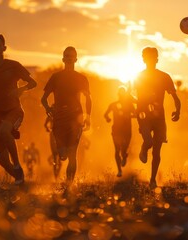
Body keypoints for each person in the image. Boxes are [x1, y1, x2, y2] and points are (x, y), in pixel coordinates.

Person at [0, 33, 37, 185]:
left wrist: (21, 90)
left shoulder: (14, 66)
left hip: (13, 110)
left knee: (4, 130)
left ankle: (17, 164)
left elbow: (33, 83)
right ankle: (19, 178)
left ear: (4, 48)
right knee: (3, 161)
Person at [41, 46, 92, 185]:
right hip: (59, 118)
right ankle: (61, 164)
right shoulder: (56, 77)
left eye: (72, 56)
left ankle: (69, 186)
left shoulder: (81, 78)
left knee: (72, 154)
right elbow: (43, 99)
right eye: (67, 56)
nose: (69, 58)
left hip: (76, 117)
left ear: (76, 59)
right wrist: (48, 109)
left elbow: (88, 99)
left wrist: (88, 117)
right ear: (63, 59)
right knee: (62, 154)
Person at [134, 47, 181, 188]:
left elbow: (175, 97)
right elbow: (133, 96)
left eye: (153, 57)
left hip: (159, 117)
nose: (150, 60)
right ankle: (144, 147)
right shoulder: (138, 76)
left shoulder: (164, 77)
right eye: (147, 57)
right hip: (143, 115)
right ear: (143, 59)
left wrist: (178, 110)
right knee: (148, 141)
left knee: (157, 151)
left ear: (157, 59)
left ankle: (153, 179)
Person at [104, 86, 136, 177]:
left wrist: (128, 116)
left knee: (123, 149)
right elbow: (105, 114)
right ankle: (119, 170)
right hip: (116, 130)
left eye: (123, 95)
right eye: (120, 95)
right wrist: (108, 119)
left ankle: (124, 156)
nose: (122, 97)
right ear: (118, 95)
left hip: (127, 130)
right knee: (117, 150)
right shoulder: (113, 104)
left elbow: (136, 114)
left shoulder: (130, 105)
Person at [44, 113, 61, 179]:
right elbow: (45, 124)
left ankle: (57, 174)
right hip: (55, 135)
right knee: (56, 156)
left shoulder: (58, 113)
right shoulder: (51, 115)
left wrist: (48, 129)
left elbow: (45, 125)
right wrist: (48, 129)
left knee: (58, 157)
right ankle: (56, 175)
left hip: (58, 135)